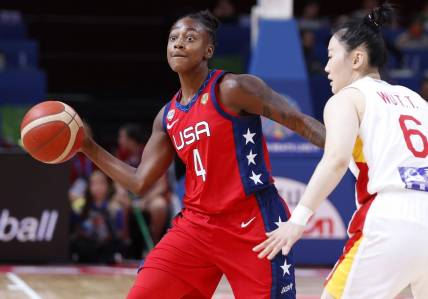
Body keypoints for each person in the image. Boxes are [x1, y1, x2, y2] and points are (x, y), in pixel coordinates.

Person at [81, 10, 325, 299]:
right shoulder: (167, 117)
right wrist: (87, 145)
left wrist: (349, 151)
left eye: (190, 38)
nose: (179, 44)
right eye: (173, 38)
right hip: (197, 226)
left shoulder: (233, 89)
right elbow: (139, 182)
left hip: (251, 223)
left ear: (208, 50)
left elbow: (298, 121)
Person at [254, 3, 428, 299]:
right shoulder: (415, 99)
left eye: (331, 56)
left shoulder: (347, 98)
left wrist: (297, 221)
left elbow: (335, 160)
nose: (326, 67)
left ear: (357, 59)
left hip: (390, 216)